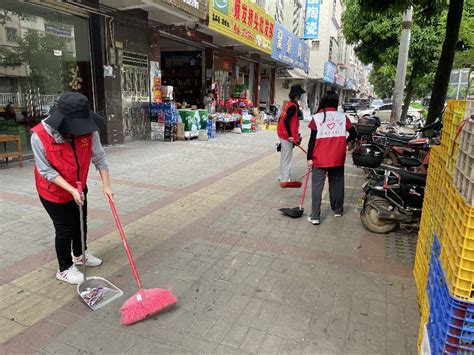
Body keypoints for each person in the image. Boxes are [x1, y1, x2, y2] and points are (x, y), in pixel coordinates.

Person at [31, 92, 113, 285]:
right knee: (65, 227)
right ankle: (65, 268)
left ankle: (79, 254)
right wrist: (70, 189)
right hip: (52, 190)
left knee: (80, 221)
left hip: (78, 186)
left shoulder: (89, 131)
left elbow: (99, 158)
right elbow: (45, 171)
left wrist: (107, 186)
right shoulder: (40, 136)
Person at [306, 91, 357, 225]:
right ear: (336, 102)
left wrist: (309, 158)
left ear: (323, 101)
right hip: (337, 156)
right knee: (337, 184)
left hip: (319, 158)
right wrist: (344, 142)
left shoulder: (317, 118)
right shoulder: (342, 117)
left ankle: (315, 216)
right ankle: (338, 210)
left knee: (317, 187)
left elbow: (312, 141)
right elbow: (354, 133)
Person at [277, 84, 305, 182]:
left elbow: (281, 118)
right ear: (297, 96)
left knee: (284, 156)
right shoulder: (292, 106)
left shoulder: (289, 104)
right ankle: (285, 179)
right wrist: (290, 136)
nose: (300, 96)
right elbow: (286, 121)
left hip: (282, 133)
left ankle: (282, 176)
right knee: (287, 158)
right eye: (300, 95)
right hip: (286, 135)